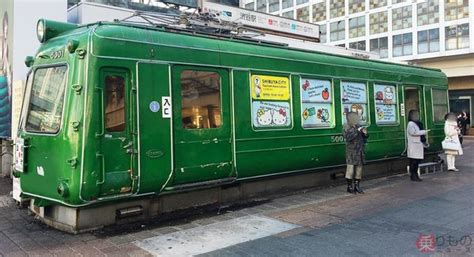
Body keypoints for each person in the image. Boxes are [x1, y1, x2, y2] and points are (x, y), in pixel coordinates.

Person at [343, 112, 369, 194]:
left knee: (359, 169)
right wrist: (357, 131)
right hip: (351, 151)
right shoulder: (346, 127)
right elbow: (348, 137)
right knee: (350, 169)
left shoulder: (359, 126)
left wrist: (365, 134)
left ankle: (357, 186)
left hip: (360, 150)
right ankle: (349, 186)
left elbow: (365, 138)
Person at [406, 110, 429, 182]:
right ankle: (413, 175)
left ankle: (415, 175)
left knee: (416, 161)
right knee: (414, 161)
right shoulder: (410, 124)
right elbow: (413, 132)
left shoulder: (417, 123)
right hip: (413, 145)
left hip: (417, 145)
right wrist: (424, 131)